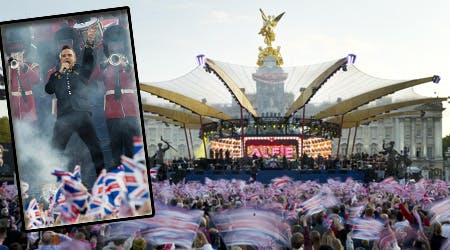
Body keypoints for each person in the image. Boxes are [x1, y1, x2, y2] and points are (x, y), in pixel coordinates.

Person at [45, 27, 105, 176]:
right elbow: (49, 90)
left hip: (82, 115)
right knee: (54, 151)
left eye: (69, 55)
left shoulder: (81, 71)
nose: (66, 57)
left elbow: (89, 61)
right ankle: (52, 184)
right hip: (64, 117)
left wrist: (89, 42)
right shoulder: (55, 75)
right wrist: (60, 72)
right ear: (60, 59)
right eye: (64, 55)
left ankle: (103, 182)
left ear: (74, 58)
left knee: (96, 148)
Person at [90, 24, 141, 168]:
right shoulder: (105, 65)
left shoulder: (130, 65)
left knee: (133, 147)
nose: (116, 47)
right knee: (116, 147)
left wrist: (128, 67)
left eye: (118, 44)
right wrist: (100, 64)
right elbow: (91, 79)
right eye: (112, 44)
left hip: (130, 110)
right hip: (112, 112)